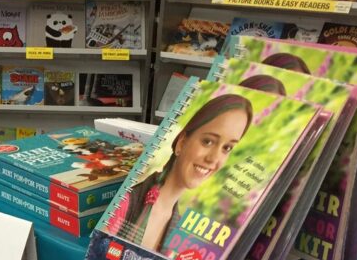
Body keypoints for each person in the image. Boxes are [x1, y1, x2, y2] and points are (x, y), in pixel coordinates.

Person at [106, 93, 254, 251]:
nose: (214, 158)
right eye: (208, 141)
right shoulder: (127, 202)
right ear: (182, 143)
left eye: (227, 148)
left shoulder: (180, 229)